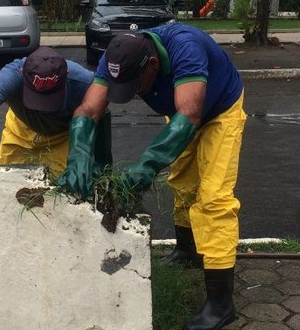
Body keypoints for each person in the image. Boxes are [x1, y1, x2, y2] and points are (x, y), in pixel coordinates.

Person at [59, 24, 246, 330]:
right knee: (182, 183)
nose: (132, 94)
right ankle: (187, 250)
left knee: (214, 198)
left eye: (136, 85)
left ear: (154, 66)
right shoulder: (118, 56)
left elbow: (190, 114)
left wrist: (145, 167)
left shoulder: (186, 48)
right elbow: (88, 109)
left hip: (218, 111)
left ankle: (221, 304)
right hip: (183, 112)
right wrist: (78, 155)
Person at [0, 46, 112, 185]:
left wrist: (100, 162)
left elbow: (100, 113)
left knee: (62, 188)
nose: (43, 108)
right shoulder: (11, 75)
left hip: (63, 135)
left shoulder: (83, 81)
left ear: (66, 77)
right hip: (21, 129)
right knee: (8, 182)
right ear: (22, 76)